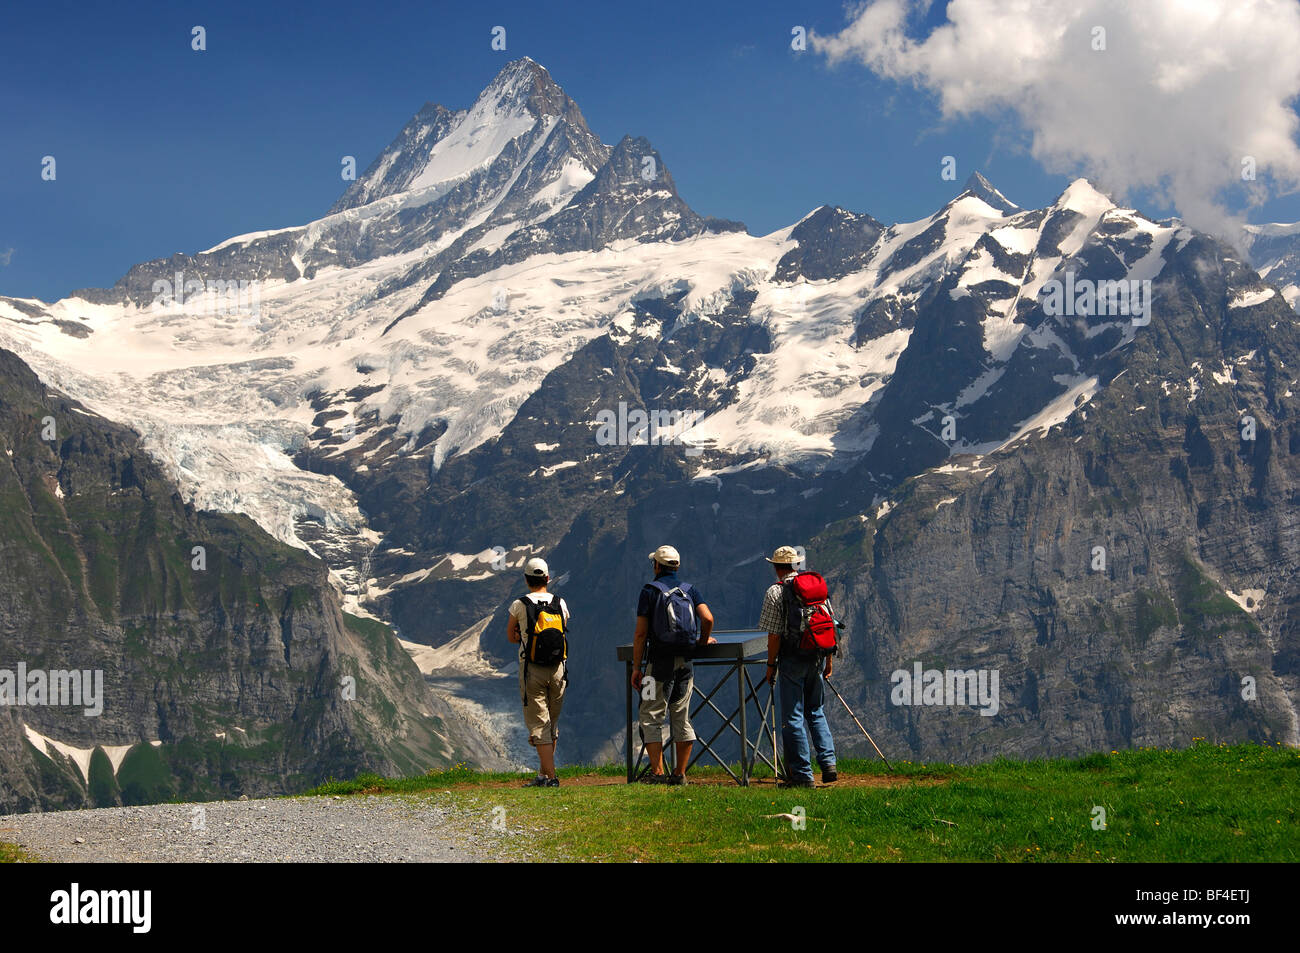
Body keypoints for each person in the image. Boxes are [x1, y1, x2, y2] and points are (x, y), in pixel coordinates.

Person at [630, 545, 715, 785]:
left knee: (649, 714)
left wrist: (637, 668)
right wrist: (701, 641)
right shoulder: (690, 590)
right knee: (681, 715)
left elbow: (640, 634)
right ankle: (679, 773)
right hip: (685, 664)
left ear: (657, 565)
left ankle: (657, 773)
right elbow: (707, 618)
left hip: (655, 666)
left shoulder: (649, 591)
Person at [759, 545, 837, 788]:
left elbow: (774, 635)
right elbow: (830, 625)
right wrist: (828, 660)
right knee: (816, 711)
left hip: (792, 659)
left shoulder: (775, 592)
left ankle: (803, 775)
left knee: (792, 717)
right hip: (816, 656)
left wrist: (771, 665)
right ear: (796, 565)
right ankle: (828, 764)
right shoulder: (816, 588)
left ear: (776, 567)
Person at [507, 557, 569, 788]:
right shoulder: (559, 603)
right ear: (547, 579)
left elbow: (510, 635)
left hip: (532, 669)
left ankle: (551, 778)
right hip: (558, 668)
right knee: (551, 723)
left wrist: (524, 639)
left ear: (526, 579)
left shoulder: (520, 604)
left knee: (539, 723)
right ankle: (544, 775)